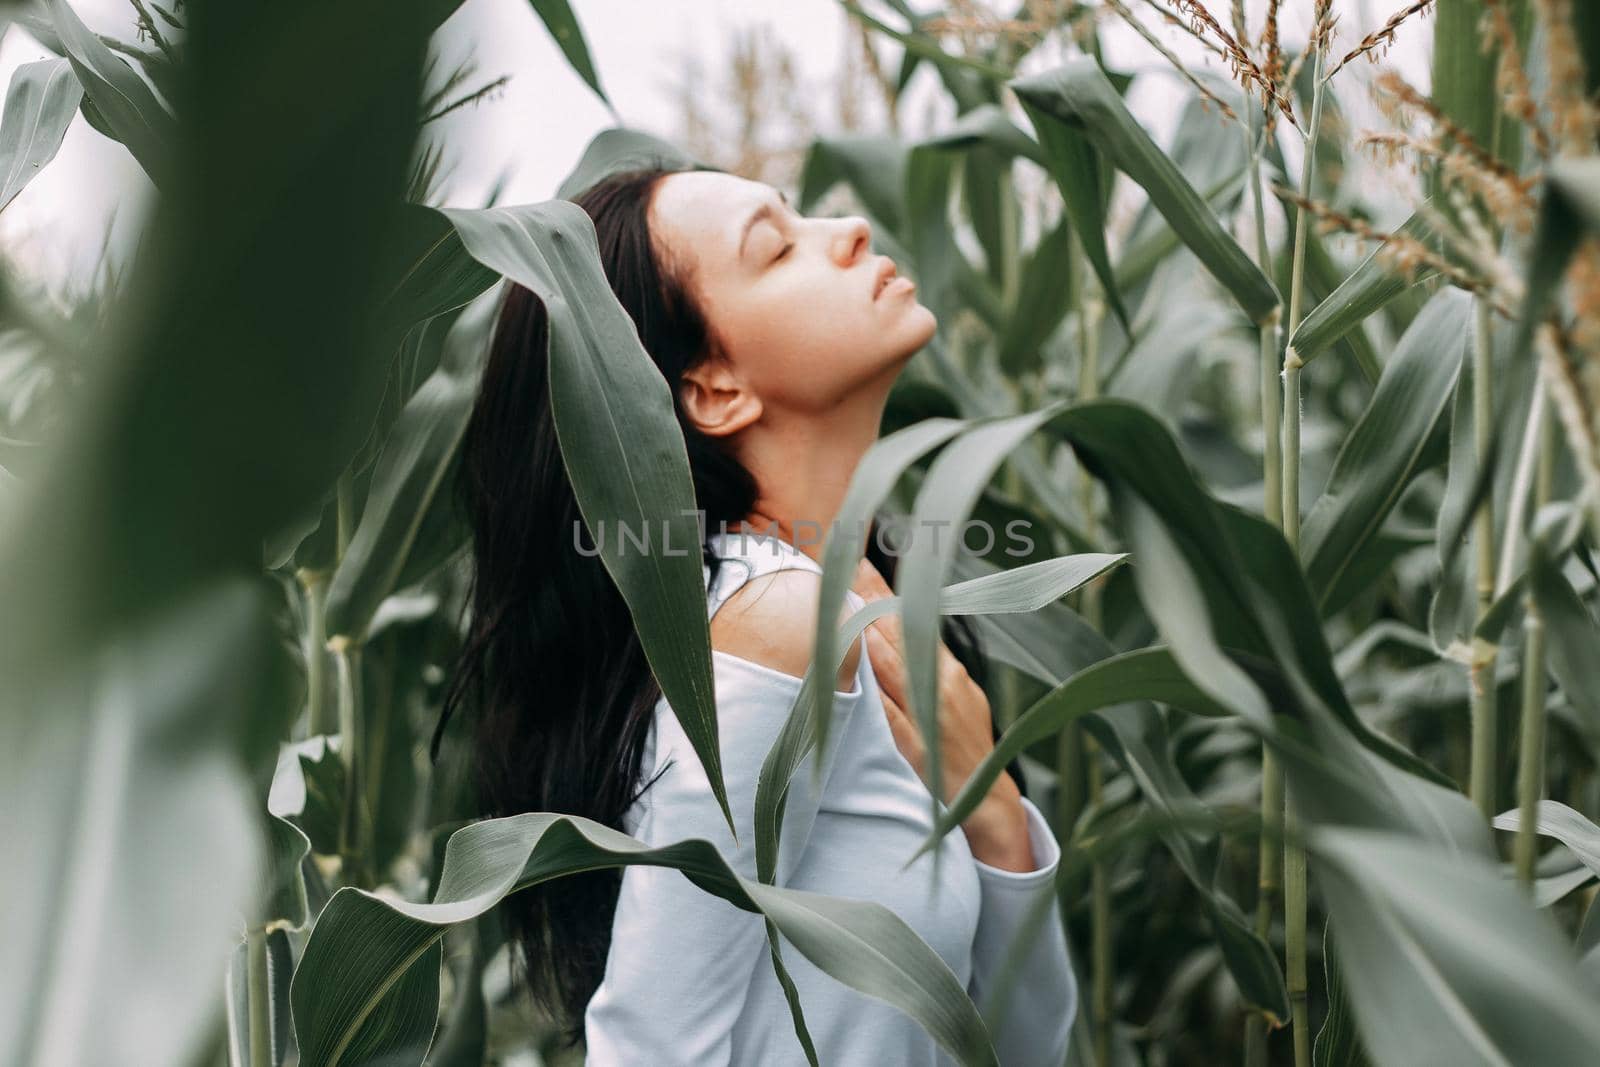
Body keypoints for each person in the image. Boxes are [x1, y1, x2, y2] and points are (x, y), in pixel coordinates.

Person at [438, 164, 1076, 1065]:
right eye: (776, 247)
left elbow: (1017, 1044)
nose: (849, 225)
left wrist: (998, 817)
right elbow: (650, 1048)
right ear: (713, 390)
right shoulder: (773, 627)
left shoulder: (868, 600)